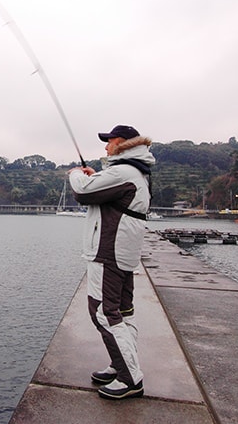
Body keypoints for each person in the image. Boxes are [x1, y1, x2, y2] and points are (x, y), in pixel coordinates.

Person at [67, 124, 155, 400]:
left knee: (104, 312)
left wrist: (75, 175)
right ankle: (122, 365)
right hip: (123, 252)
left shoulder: (124, 172)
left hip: (109, 251)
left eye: (109, 142)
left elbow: (83, 193)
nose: (106, 147)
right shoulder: (135, 173)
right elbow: (108, 191)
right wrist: (98, 177)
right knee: (123, 312)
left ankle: (130, 379)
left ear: (123, 143)